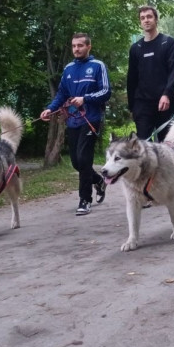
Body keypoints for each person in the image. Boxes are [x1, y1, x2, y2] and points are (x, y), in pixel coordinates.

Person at [40, 33, 110, 216]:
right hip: (72, 120)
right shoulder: (69, 69)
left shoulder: (97, 66)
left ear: (89, 47)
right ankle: (98, 181)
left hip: (91, 119)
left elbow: (105, 92)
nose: (76, 49)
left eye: (80, 45)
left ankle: (84, 200)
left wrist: (84, 98)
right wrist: (50, 109)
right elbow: (62, 93)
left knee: (84, 159)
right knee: (76, 162)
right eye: (74, 46)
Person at [127, 5, 174, 143]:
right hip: (142, 105)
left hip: (165, 103)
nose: (146, 20)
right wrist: (132, 106)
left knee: (169, 145)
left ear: (156, 19)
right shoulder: (135, 48)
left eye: (149, 17)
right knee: (144, 147)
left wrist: (167, 94)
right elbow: (131, 78)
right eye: (142, 18)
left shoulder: (168, 43)